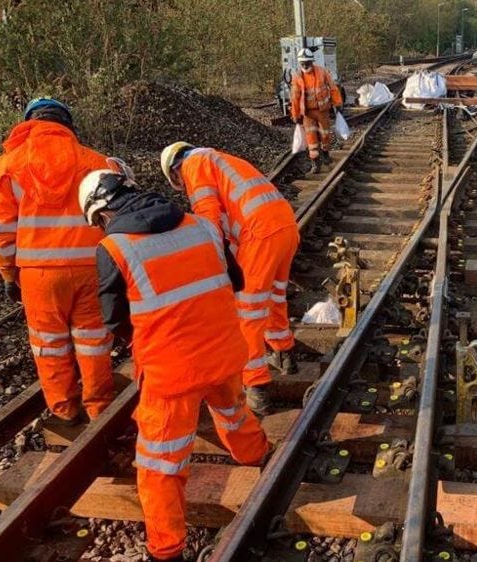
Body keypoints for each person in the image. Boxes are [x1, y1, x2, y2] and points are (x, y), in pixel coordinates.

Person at [78, 168, 269, 562]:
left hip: (172, 374)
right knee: (233, 411)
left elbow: (115, 322)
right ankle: (258, 459)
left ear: (102, 214)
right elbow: (235, 280)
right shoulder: (202, 226)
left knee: (160, 464)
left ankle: (166, 551)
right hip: (225, 353)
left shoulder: (114, 249)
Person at [0, 97, 115, 424]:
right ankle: (100, 408)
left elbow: (0, 229)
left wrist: (7, 273)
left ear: (29, 123)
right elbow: (117, 218)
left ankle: (64, 409)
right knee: (94, 342)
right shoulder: (97, 162)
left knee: (50, 345)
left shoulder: (8, 165)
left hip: (39, 275)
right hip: (92, 269)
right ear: (67, 124)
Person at [159, 142, 299, 416]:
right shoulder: (220, 160)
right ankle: (284, 353)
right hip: (285, 225)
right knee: (274, 295)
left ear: (175, 172)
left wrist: (208, 258)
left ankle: (256, 385)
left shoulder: (194, 165)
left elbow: (208, 214)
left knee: (247, 311)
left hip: (259, 234)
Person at [289, 48, 343, 174]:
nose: (305, 65)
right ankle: (315, 163)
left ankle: (325, 154)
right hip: (308, 114)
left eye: (307, 63)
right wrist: (295, 115)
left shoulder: (321, 72)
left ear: (311, 62)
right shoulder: (297, 77)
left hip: (323, 111)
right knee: (311, 139)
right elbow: (295, 98)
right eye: (302, 63)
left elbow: (333, 88)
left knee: (325, 134)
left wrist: (338, 103)